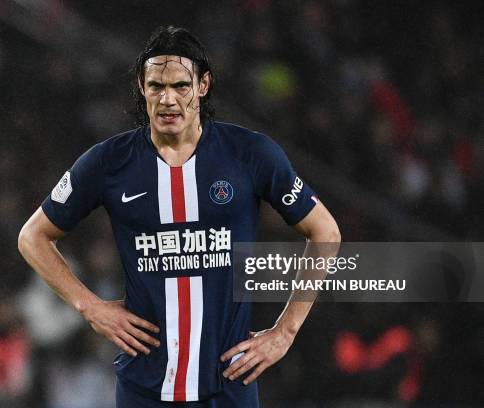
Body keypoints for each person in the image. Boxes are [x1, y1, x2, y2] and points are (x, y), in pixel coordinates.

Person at [18, 26, 340, 408]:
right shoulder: (108, 162)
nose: (168, 99)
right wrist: (90, 307)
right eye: (156, 86)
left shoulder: (250, 154)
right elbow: (32, 237)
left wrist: (285, 332)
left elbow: (325, 231)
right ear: (141, 86)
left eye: (180, 86)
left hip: (229, 386)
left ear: (203, 85)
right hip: (144, 389)